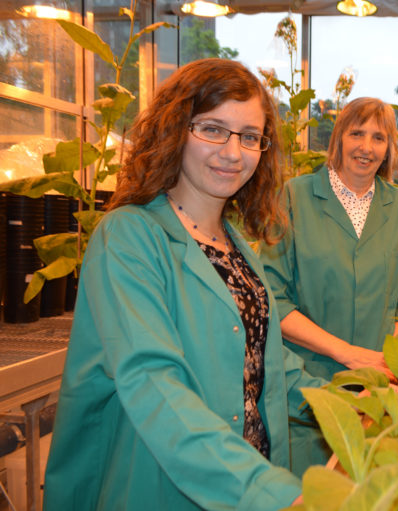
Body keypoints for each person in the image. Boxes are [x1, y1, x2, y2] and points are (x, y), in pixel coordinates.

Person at [42, 58, 325, 511]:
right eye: (213, 129)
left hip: (248, 477)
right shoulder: (129, 238)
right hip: (168, 486)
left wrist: (345, 401)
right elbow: (153, 382)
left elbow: (263, 361)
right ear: (176, 129)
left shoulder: (235, 245)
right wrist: (267, 493)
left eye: (250, 137)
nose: (233, 153)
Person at [261, 97, 398, 473]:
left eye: (379, 138)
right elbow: (273, 299)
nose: (367, 147)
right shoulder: (294, 197)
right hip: (306, 389)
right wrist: (347, 353)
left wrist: (389, 360)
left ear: (389, 149)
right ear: (338, 138)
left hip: (377, 391)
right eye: (357, 134)